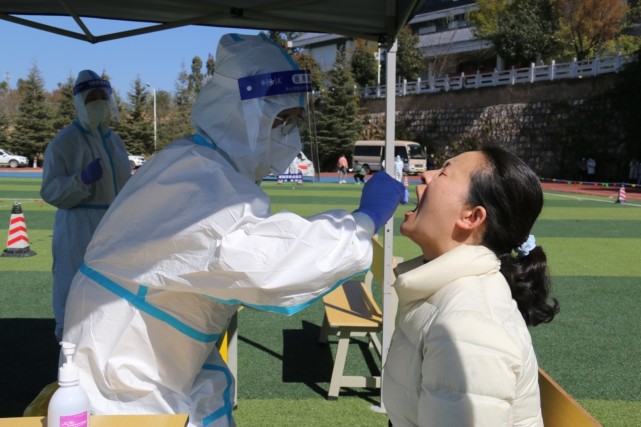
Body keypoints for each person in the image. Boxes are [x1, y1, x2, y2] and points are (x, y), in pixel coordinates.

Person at [61, 34, 406, 427]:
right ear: (240, 115)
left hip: (148, 348)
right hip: (125, 372)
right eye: (282, 121)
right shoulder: (198, 181)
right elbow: (271, 264)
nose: (290, 136)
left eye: (295, 121)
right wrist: (361, 221)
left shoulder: (197, 164)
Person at [383, 145, 559, 426]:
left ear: (471, 217)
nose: (424, 175)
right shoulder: (443, 294)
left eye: (442, 173)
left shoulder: (469, 327)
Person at [40, 70, 131, 341]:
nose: (99, 103)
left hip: (112, 228)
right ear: (80, 102)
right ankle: (68, 343)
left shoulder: (115, 143)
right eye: (93, 98)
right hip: (78, 227)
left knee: (110, 288)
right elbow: (50, 191)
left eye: (103, 97)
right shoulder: (65, 142)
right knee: (73, 284)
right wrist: (80, 181)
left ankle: (106, 342)